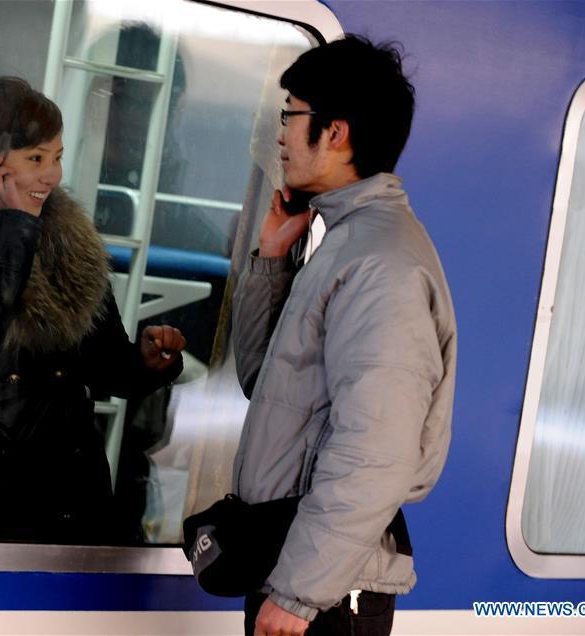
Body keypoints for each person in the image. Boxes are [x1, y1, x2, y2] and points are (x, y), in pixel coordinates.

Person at [0, 77, 186, 543]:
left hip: (69, 496)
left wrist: (146, 363)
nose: (53, 175)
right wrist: (11, 232)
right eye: (36, 158)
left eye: (57, 157)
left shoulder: (72, 249)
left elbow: (106, 367)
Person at [232, 36, 457, 635]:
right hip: (306, 575)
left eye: (290, 116)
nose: (279, 134)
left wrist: (300, 592)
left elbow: (376, 450)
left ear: (335, 132)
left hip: (328, 597)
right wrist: (272, 260)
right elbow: (267, 386)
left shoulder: (381, 264)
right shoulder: (344, 244)